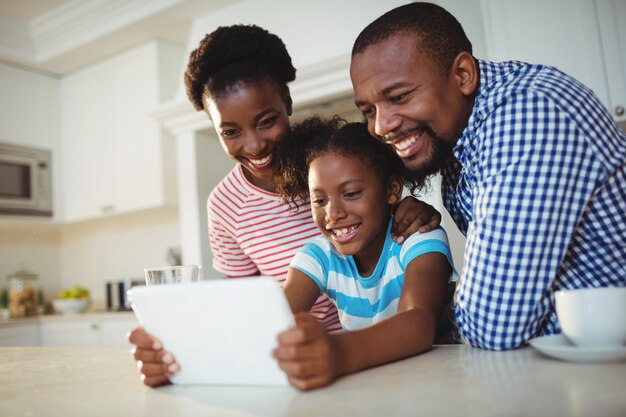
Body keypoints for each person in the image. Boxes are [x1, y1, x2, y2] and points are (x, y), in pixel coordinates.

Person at [129, 24, 441, 387]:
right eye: (230, 131)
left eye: (267, 122)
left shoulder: (327, 159)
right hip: (300, 362)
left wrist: (409, 208)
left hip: (368, 353)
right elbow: (248, 314)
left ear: (287, 105)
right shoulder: (228, 208)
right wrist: (179, 354)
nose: (255, 145)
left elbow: (377, 195)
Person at [349, 2, 626, 351]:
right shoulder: (455, 140)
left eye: (400, 96)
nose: (381, 125)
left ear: (463, 75)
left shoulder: (528, 114)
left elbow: (492, 326)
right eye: (368, 110)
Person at [271, 116, 456, 391]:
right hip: (370, 388)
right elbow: (271, 322)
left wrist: (338, 352)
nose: (333, 214)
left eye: (352, 193)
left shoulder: (419, 238)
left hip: (440, 383)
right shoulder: (319, 257)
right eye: (319, 200)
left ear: (392, 190)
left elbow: (418, 324)